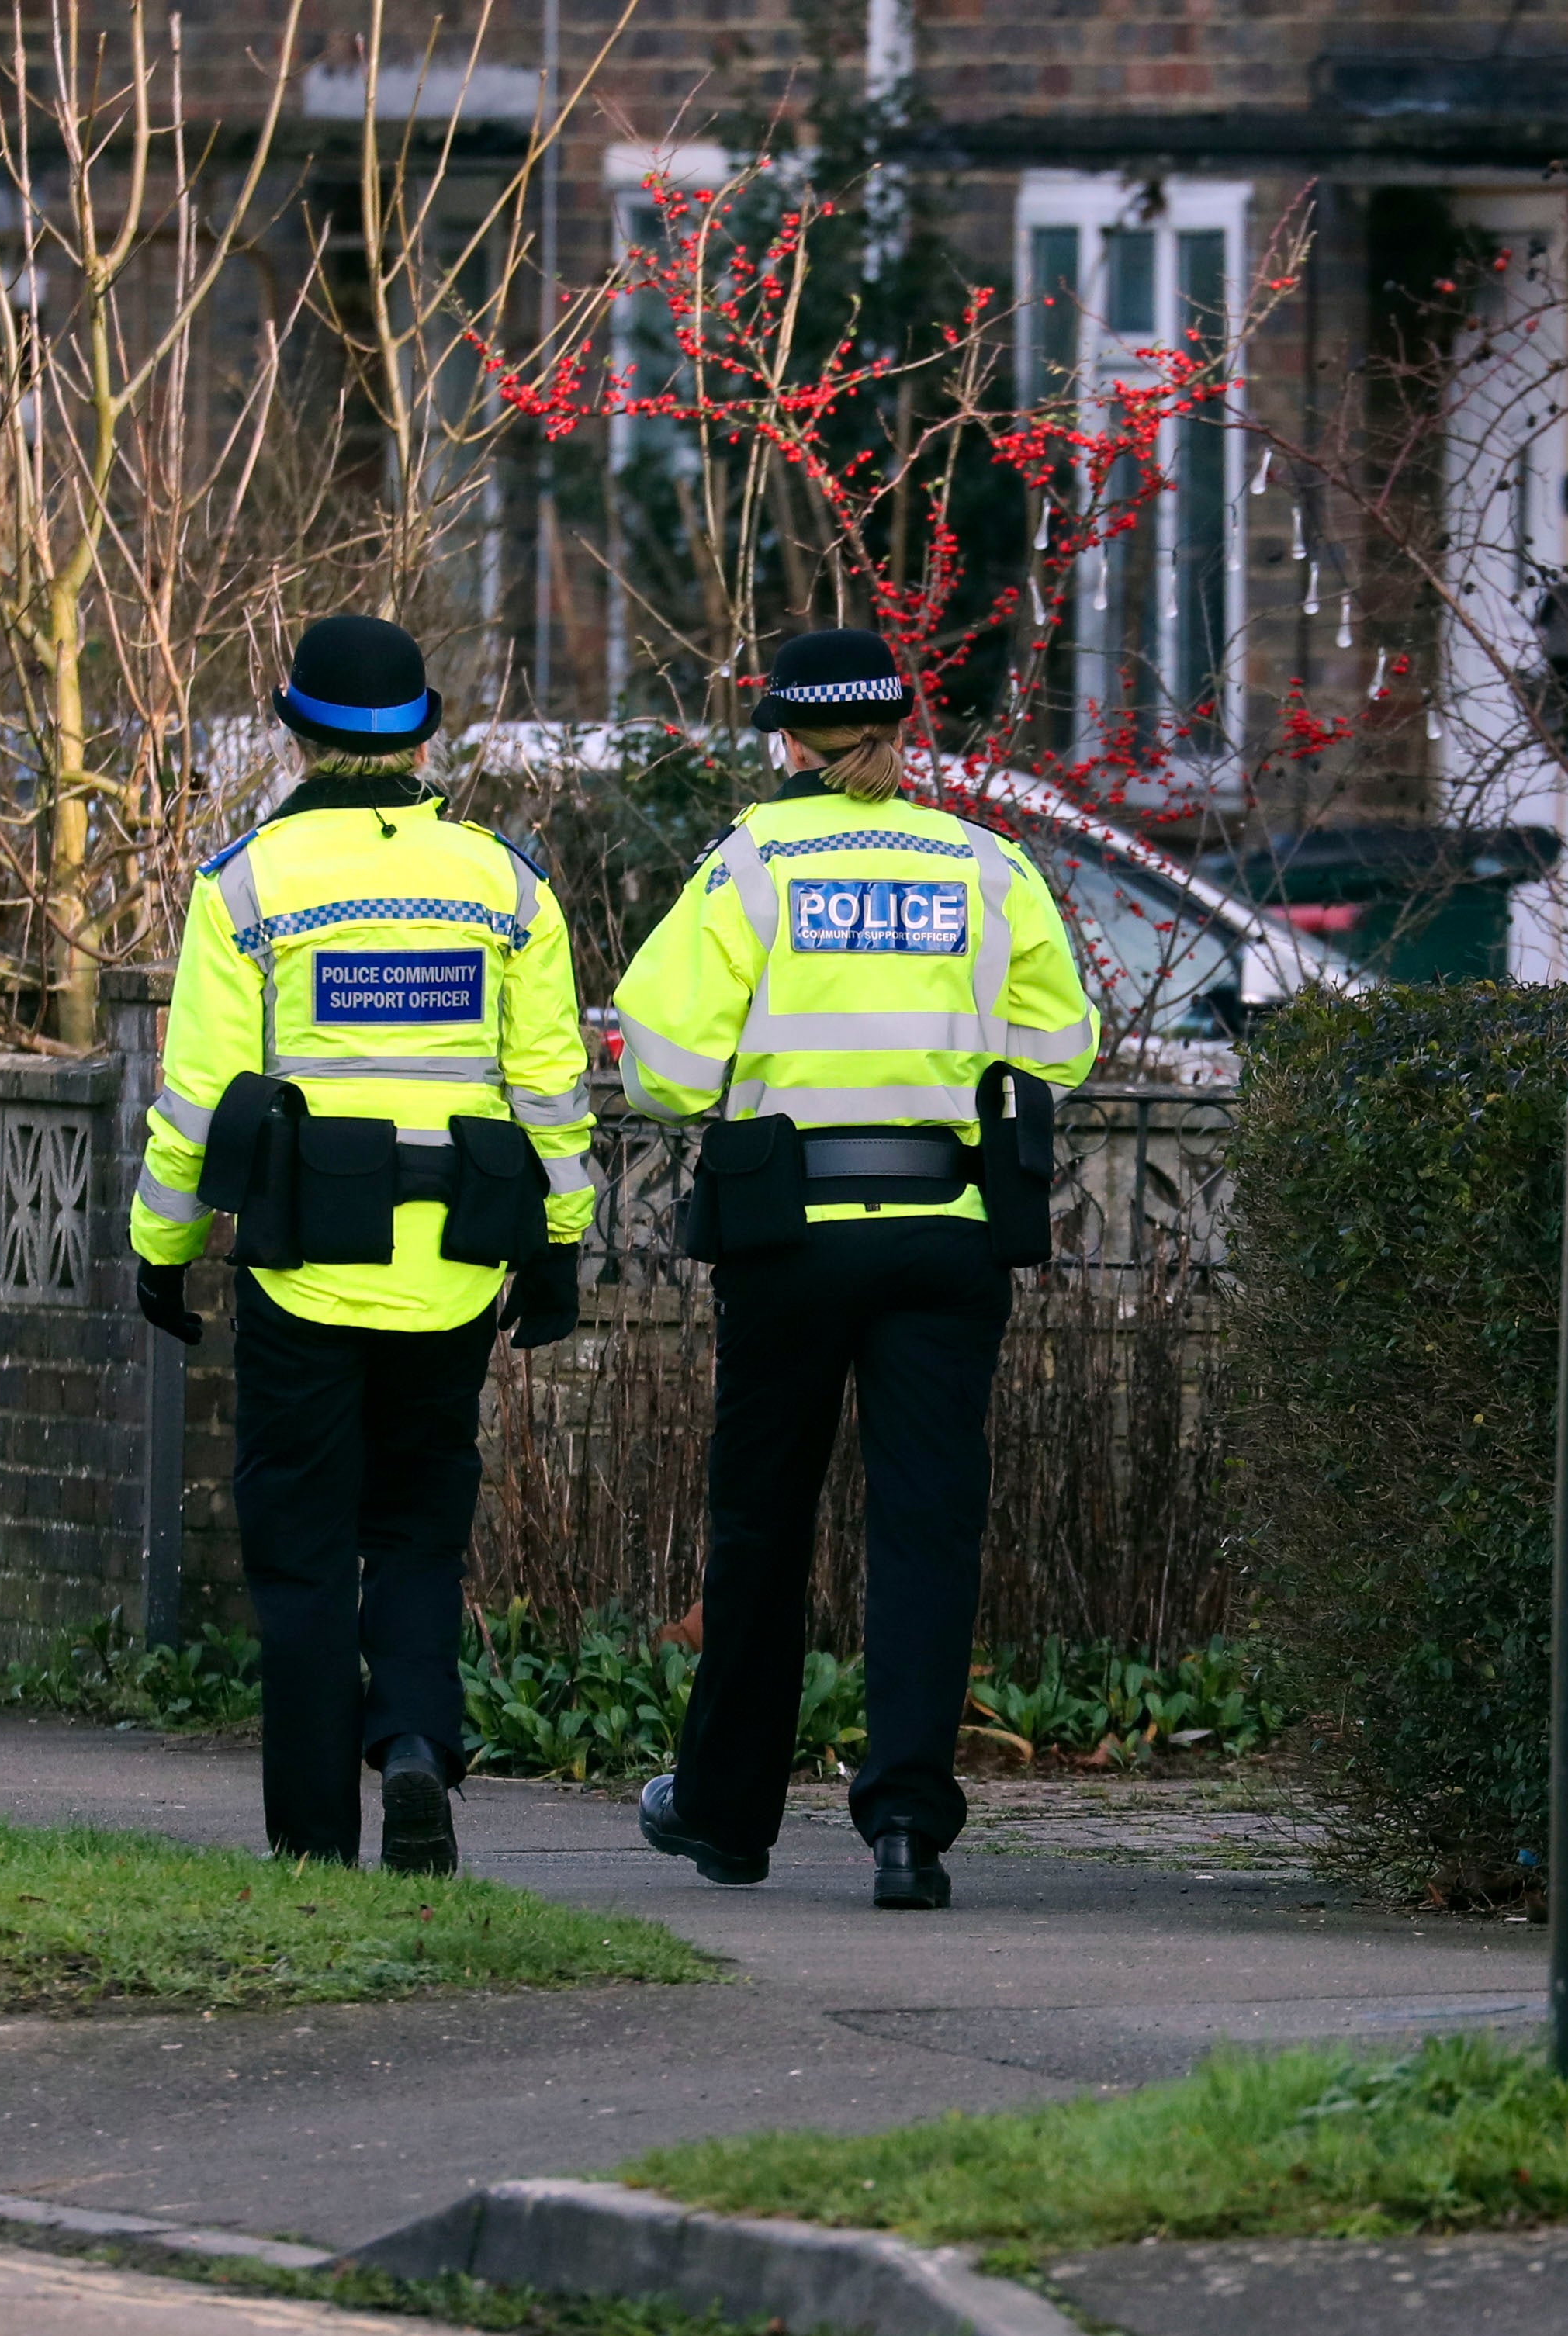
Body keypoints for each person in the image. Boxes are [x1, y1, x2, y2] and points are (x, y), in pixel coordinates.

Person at [612, 628, 1102, 1909]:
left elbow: (659, 1062)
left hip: (791, 1237)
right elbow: (1061, 1045)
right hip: (947, 1231)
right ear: (901, 731)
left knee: (762, 1523)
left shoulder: (755, 861)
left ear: (788, 740)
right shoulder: (985, 865)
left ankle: (726, 1815)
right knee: (926, 1528)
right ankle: (905, 1829)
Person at [130, 613, 593, 1874]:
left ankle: (313, 1844)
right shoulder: (506, 882)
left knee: (299, 1553)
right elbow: (549, 1083)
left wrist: (161, 1249)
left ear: (296, 731)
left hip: (304, 1264)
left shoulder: (246, 887)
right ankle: (413, 1748)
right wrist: (558, 1243)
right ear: (420, 737)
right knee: (419, 1535)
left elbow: (201, 1100)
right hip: (453, 1270)